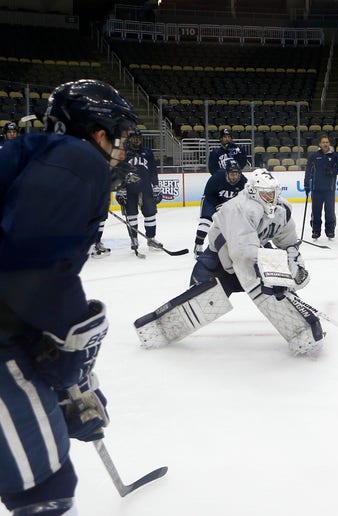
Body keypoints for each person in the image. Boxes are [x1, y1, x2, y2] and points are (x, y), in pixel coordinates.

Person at [0, 79, 139, 516]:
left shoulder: (42, 157)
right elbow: (31, 269)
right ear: (98, 133)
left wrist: (69, 381)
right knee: (43, 486)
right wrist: (68, 359)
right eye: (118, 137)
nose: (121, 149)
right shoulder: (78, 161)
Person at [135, 169, 324, 355]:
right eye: (266, 193)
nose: (271, 197)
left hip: (254, 253)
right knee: (199, 299)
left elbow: (289, 244)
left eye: (273, 192)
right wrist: (269, 277)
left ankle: (304, 329)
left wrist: (294, 268)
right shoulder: (240, 207)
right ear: (252, 191)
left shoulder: (282, 210)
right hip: (219, 262)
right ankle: (158, 327)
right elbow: (243, 253)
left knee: (280, 292)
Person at [116, 128, 163, 254]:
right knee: (131, 215)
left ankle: (151, 239)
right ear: (130, 139)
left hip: (146, 189)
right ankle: (134, 239)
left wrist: (156, 186)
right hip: (129, 190)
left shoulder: (147, 152)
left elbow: (153, 171)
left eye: (138, 137)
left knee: (150, 214)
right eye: (133, 137)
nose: (136, 140)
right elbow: (119, 172)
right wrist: (120, 189)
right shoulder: (124, 153)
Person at [194, 160, 247, 256]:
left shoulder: (243, 181)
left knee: (235, 224)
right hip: (211, 201)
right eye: (232, 174)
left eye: (236, 174)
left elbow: (244, 197)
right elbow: (208, 193)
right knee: (206, 221)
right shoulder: (217, 177)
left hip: (228, 203)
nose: (234, 177)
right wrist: (217, 205)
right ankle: (198, 245)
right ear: (226, 173)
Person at [304, 134, 338, 240]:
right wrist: (306, 185)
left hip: (329, 190)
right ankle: (316, 231)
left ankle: (330, 231)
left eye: (327, 142)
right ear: (320, 144)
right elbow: (308, 172)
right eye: (323, 142)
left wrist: (332, 171)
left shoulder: (335, 156)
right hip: (316, 190)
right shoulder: (314, 156)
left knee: (330, 212)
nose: (325, 144)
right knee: (316, 212)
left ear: (329, 143)